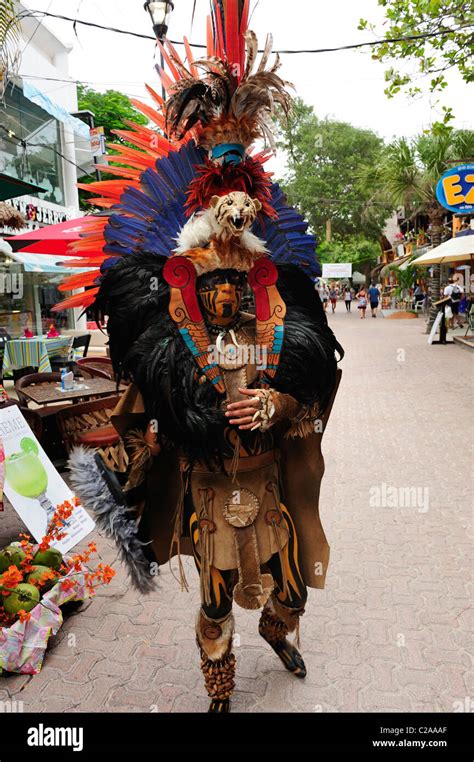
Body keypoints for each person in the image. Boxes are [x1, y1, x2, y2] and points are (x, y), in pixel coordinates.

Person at [65, 0, 344, 715]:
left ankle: (280, 631)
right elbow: (149, 366)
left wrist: (279, 400)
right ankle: (218, 689)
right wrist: (195, 405)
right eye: (219, 196)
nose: (231, 210)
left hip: (270, 468)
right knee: (217, 596)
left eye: (241, 196)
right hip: (210, 478)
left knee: (290, 585)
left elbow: (316, 360)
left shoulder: (281, 287)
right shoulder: (164, 288)